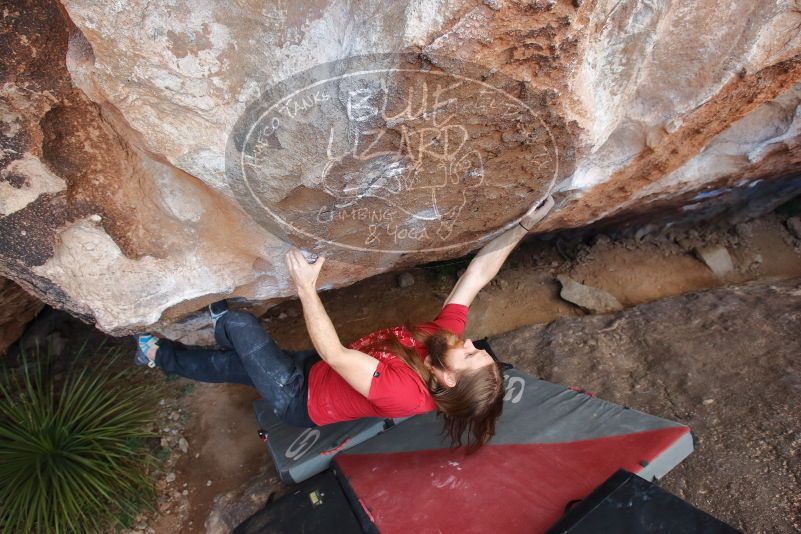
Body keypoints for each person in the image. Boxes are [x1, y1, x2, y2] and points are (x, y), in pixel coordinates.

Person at [135, 195, 555, 452]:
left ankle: (206, 322)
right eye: (478, 350)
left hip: (297, 396)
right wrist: (524, 225)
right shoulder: (443, 342)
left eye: (472, 356)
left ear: (447, 378)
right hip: (314, 370)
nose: (471, 344)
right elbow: (476, 277)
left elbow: (335, 353)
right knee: (232, 364)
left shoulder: (405, 393)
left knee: (240, 326)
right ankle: (159, 356)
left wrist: (306, 287)